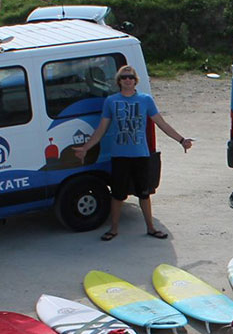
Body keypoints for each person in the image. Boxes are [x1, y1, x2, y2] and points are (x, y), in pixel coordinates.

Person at [69, 66, 192, 240]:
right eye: (124, 77)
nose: (128, 80)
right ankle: (114, 229)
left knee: (144, 193)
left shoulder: (145, 100)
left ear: (136, 81)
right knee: (118, 195)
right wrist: (85, 148)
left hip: (140, 155)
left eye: (131, 77)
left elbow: (161, 123)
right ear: (119, 81)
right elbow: (101, 129)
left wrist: (181, 140)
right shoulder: (111, 101)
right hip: (120, 156)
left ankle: (150, 227)